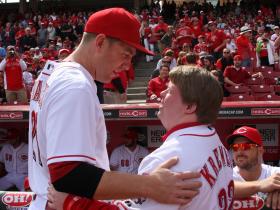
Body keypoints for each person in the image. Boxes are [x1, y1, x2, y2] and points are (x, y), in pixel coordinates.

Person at [28, 8, 202, 210]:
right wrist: (150, 185)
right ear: (100, 42)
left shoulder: (54, 72)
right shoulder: (75, 85)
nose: (128, 65)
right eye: (125, 54)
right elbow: (68, 175)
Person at [48, 66, 232, 210]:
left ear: (190, 106)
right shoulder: (215, 142)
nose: (161, 93)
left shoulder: (170, 157)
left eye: (169, 90)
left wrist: (71, 204)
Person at [227, 126, 280, 209]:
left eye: (246, 146)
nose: (239, 152)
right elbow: (224, 187)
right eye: (235, 147)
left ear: (260, 151)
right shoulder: (226, 176)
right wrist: (260, 185)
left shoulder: (274, 173)